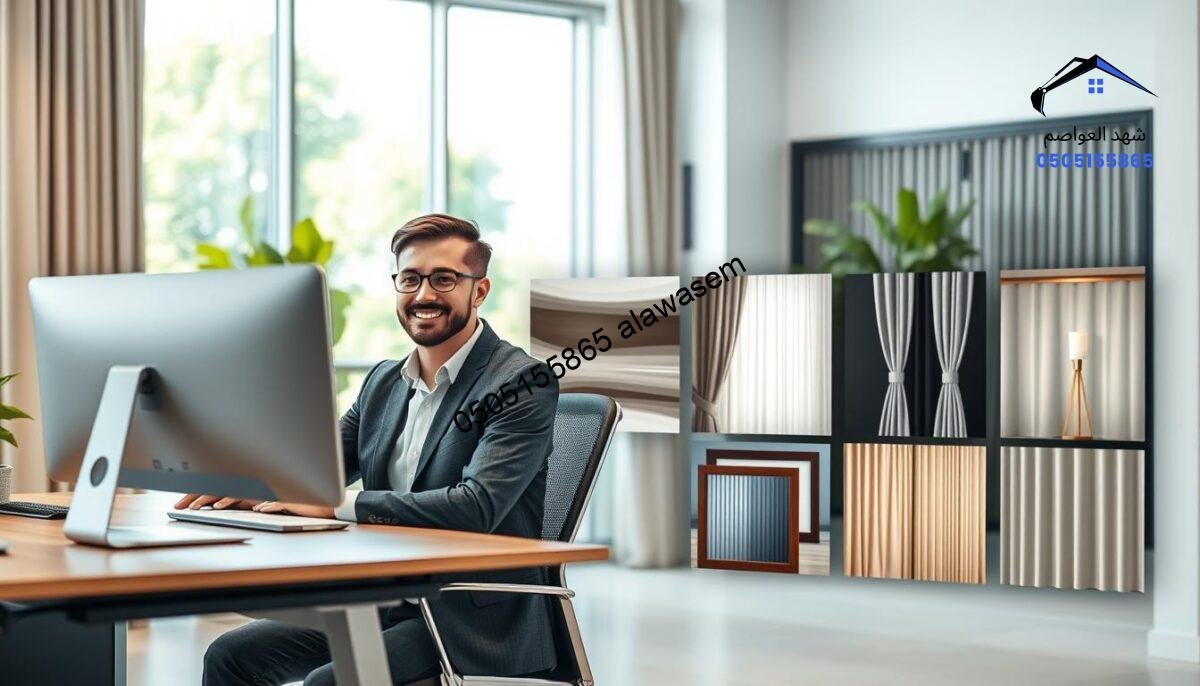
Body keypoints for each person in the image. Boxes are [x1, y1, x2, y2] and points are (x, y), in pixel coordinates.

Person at [182, 213, 560, 686]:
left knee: (331, 682)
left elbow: (476, 507)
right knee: (231, 655)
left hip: (467, 616)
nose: (423, 295)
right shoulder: (384, 381)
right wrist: (242, 484)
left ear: (479, 291)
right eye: (410, 279)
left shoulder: (520, 382)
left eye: (443, 279)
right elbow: (318, 467)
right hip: (384, 598)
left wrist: (334, 504)